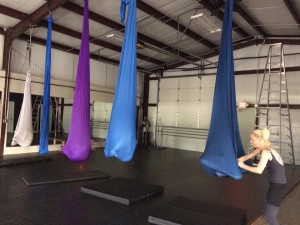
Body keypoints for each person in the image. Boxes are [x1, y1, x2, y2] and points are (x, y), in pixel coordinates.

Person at [237, 128, 286, 225]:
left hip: (277, 188)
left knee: (269, 216)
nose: (251, 142)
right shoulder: (264, 149)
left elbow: (259, 170)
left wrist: (243, 166)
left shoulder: (266, 152)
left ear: (260, 139)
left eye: (253, 139)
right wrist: (235, 161)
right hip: (277, 185)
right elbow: (247, 157)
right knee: (265, 209)